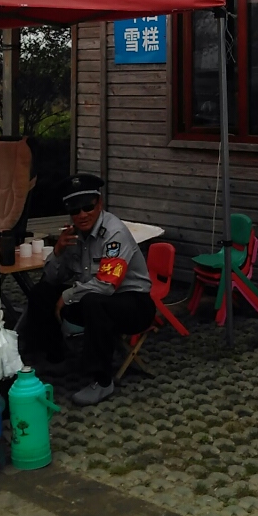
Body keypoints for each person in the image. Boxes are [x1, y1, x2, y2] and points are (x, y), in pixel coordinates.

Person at [23, 173, 154, 406]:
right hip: (92, 298)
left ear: (99, 204)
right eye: (75, 209)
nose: (82, 215)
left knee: (94, 301)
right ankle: (56, 358)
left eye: (88, 207)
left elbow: (106, 285)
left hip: (134, 303)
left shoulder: (114, 234)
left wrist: (66, 297)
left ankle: (102, 381)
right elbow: (52, 278)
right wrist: (58, 252)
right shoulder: (73, 234)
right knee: (41, 293)